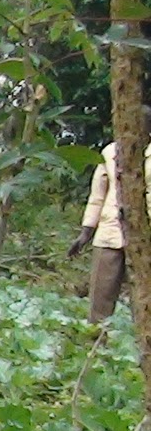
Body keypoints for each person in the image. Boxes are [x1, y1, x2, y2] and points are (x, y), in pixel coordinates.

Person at [70, 122, 151, 324]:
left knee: (144, 299)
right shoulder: (110, 153)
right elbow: (97, 196)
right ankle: (96, 345)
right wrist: (85, 233)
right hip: (110, 233)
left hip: (145, 236)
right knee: (101, 300)